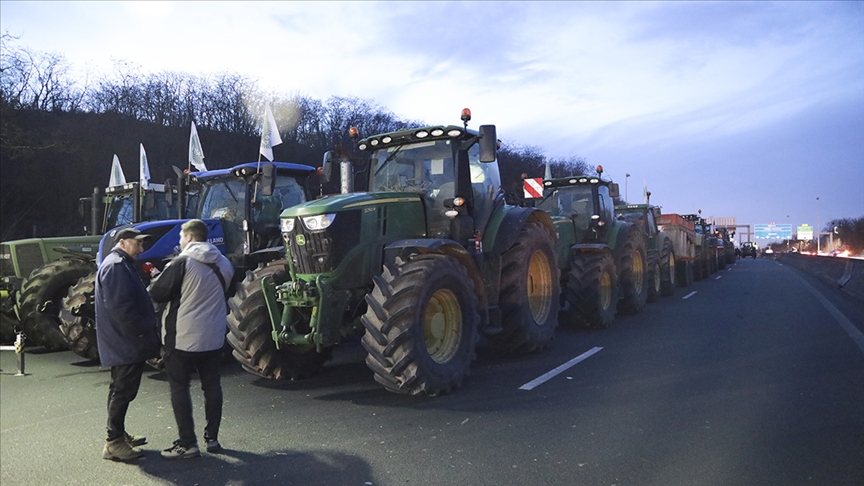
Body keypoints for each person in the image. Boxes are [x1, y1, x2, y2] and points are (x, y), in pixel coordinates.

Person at [149, 219, 234, 459]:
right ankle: (213, 438)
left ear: (189, 237)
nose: (180, 242)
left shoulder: (181, 263)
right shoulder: (224, 264)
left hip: (182, 338)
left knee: (180, 388)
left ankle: (188, 443)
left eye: (180, 238)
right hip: (213, 336)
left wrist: (157, 278)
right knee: (212, 385)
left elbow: (158, 293)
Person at [96, 227, 161, 461]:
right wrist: (142, 334)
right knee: (122, 392)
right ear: (123, 243)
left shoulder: (119, 264)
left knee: (120, 390)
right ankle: (113, 443)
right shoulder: (116, 267)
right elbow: (122, 310)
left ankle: (118, 435)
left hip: (123, 342)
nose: (141, 250)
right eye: (137, 244)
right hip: (125, 343)